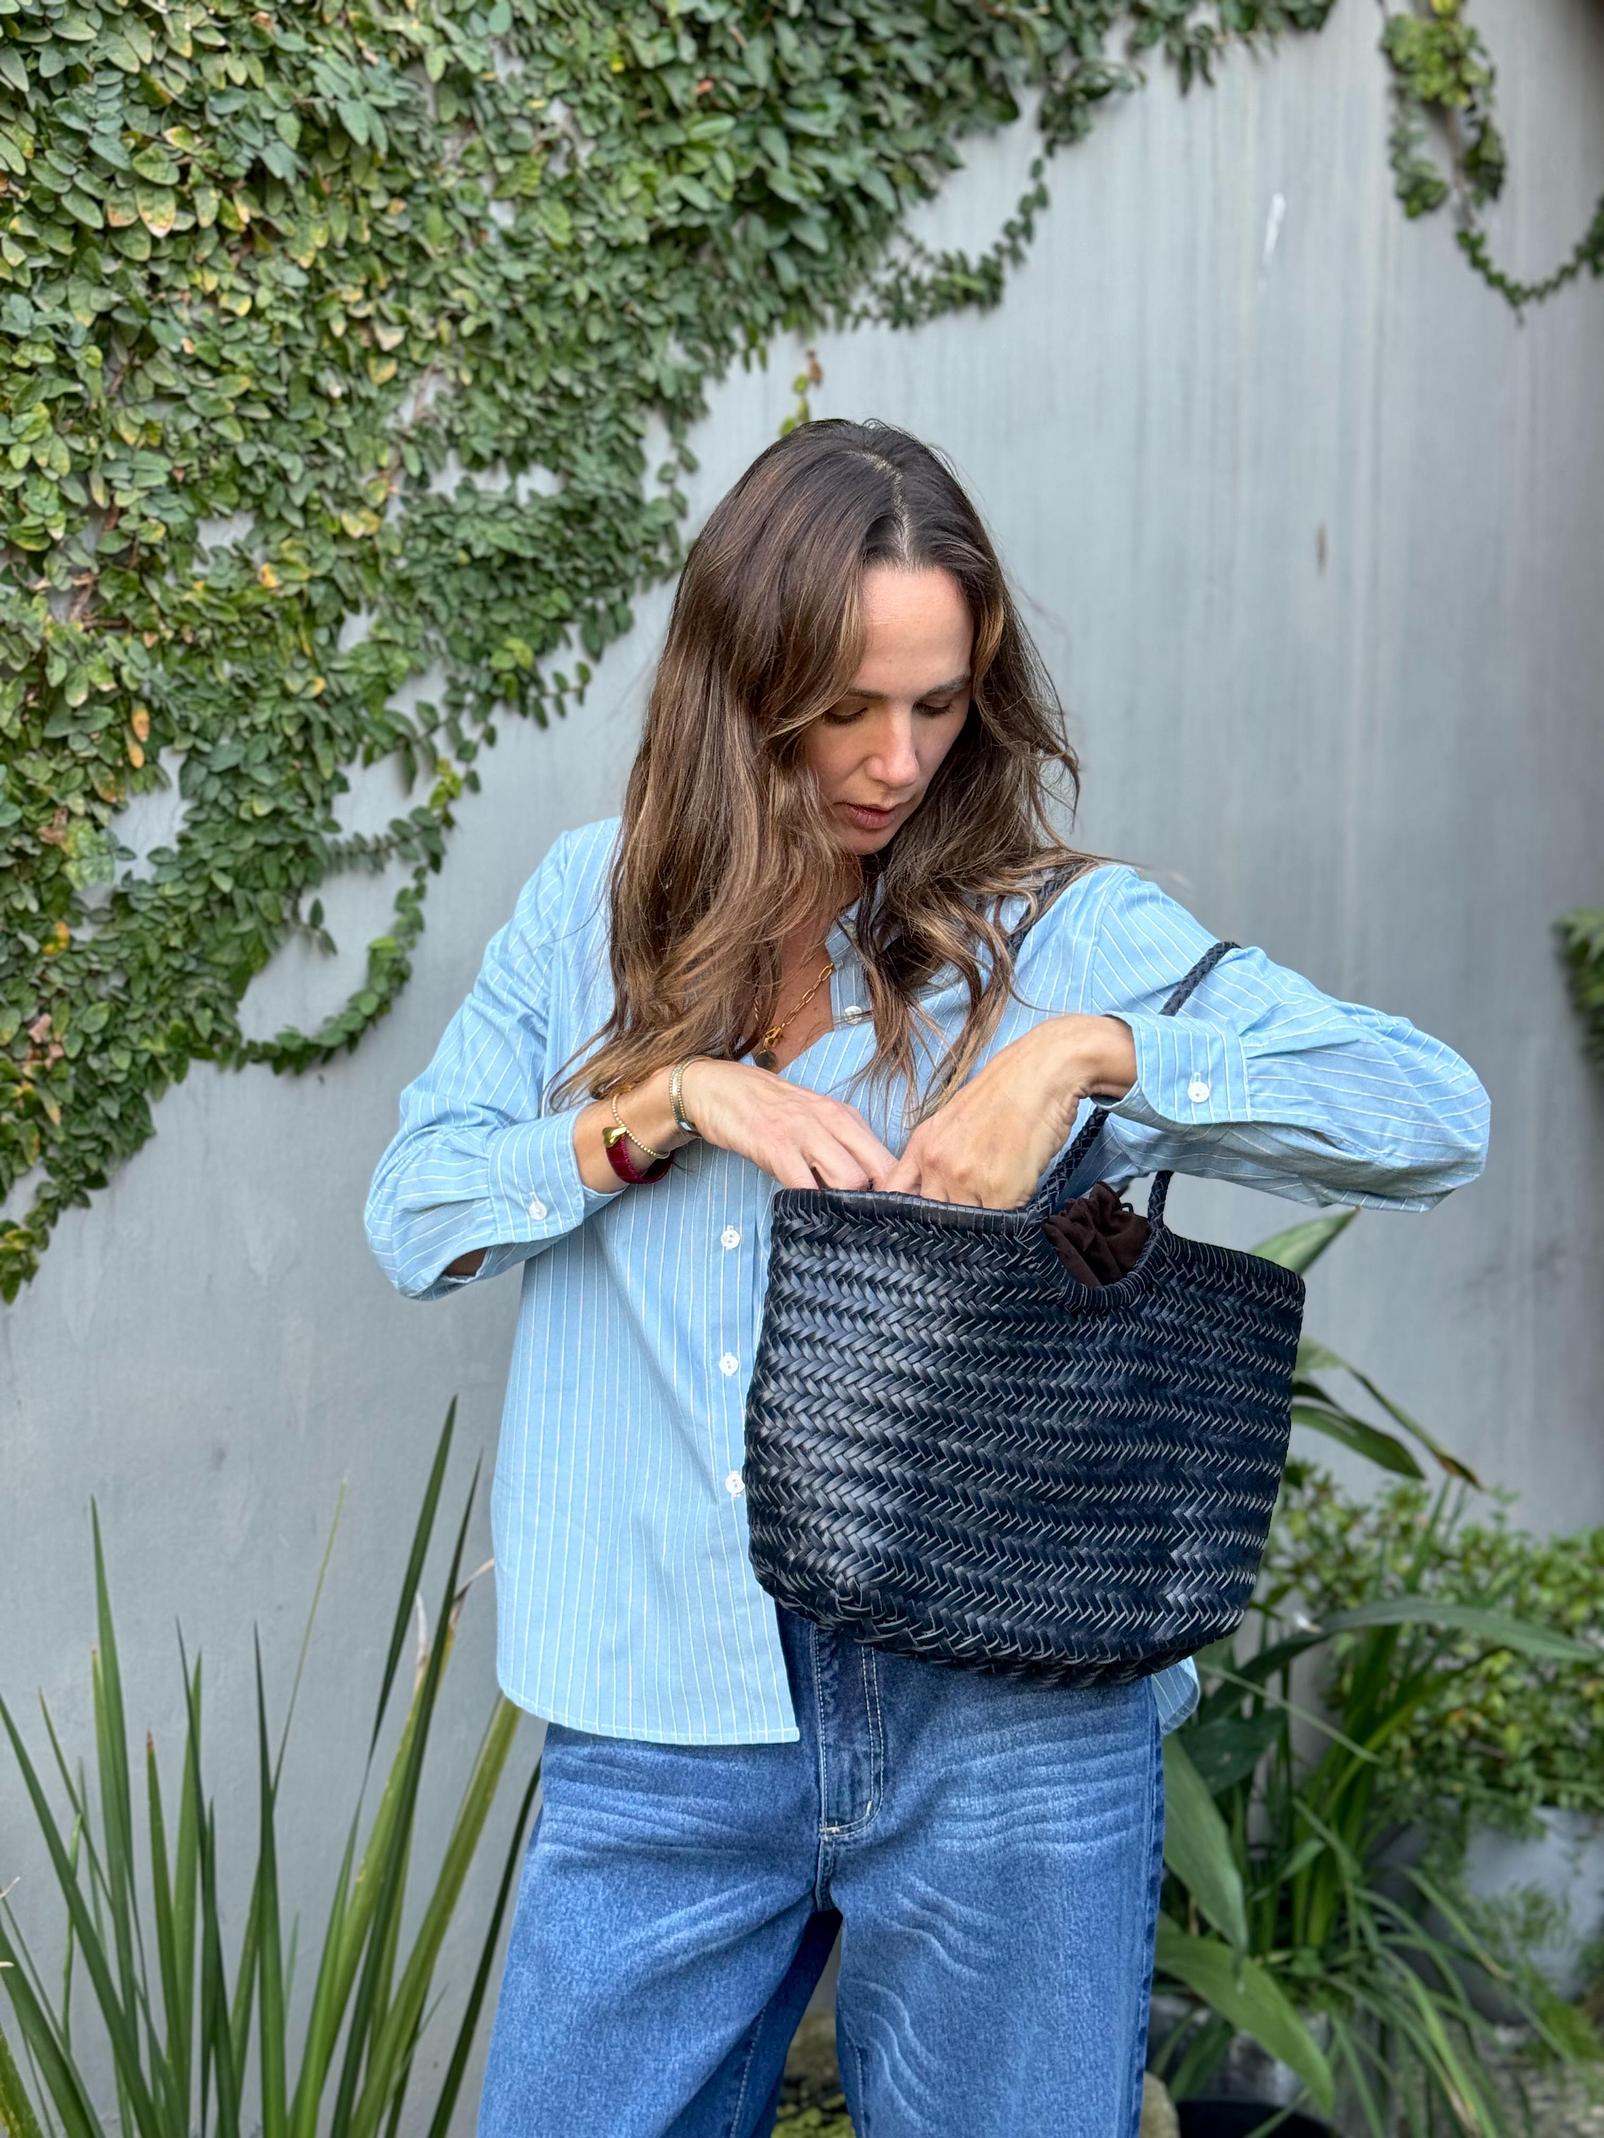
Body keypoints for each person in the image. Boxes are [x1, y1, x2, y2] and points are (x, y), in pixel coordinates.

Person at [365, 420, 1488, 2138]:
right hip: (665, 1703)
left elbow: (1430, 1114)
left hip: (1012, 1721)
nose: (896, 761)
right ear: (740, 688)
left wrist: (1090, 1055)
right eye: (845, 708)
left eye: (941, 703)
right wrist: (663, 1107)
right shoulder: (589, 912)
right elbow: (413, 1214)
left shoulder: (1063, 935)